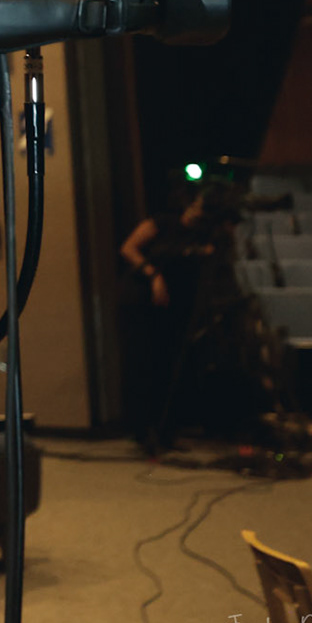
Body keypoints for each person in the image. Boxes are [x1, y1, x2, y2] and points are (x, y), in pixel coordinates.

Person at [116, 184, 241, 453]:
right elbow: (128, 248)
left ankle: (166, 431)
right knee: (143, 363)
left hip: (175, 304)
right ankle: (143, 431)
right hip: (142, 297)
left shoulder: (204, 235)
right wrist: (154, 276)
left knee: (170, 364)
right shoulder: (161, 223)